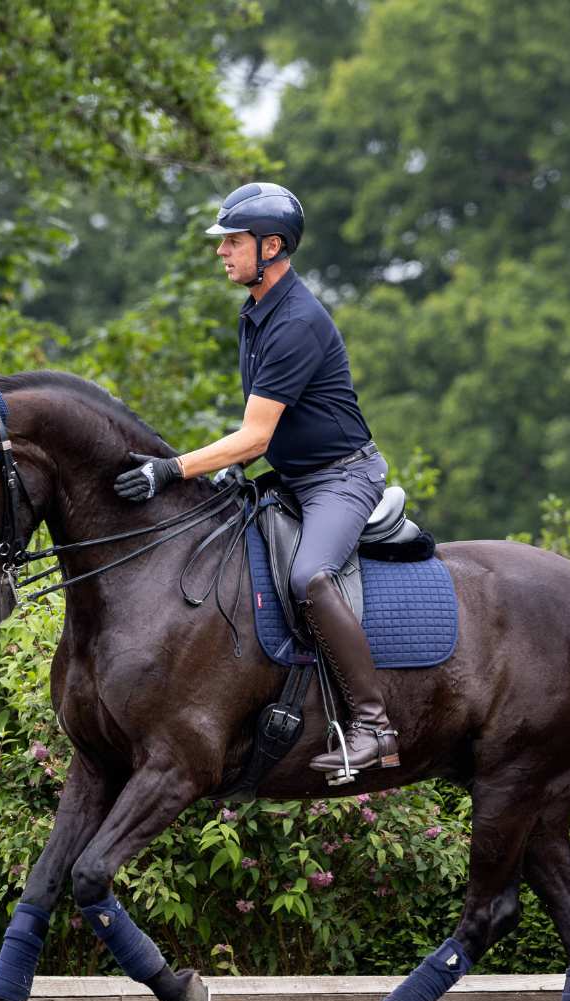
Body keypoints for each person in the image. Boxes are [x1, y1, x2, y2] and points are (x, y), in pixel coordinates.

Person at [114, 182, 398, 777]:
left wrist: (171, 469)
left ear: (272, 247)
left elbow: (256, 435)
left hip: (341, 478)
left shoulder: (295, 320)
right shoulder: (257, 312)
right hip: (294, 476)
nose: (222, 251)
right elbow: (265, 426)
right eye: (224, 243)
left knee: (310, 577)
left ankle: (375, 726)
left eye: (234, 242)